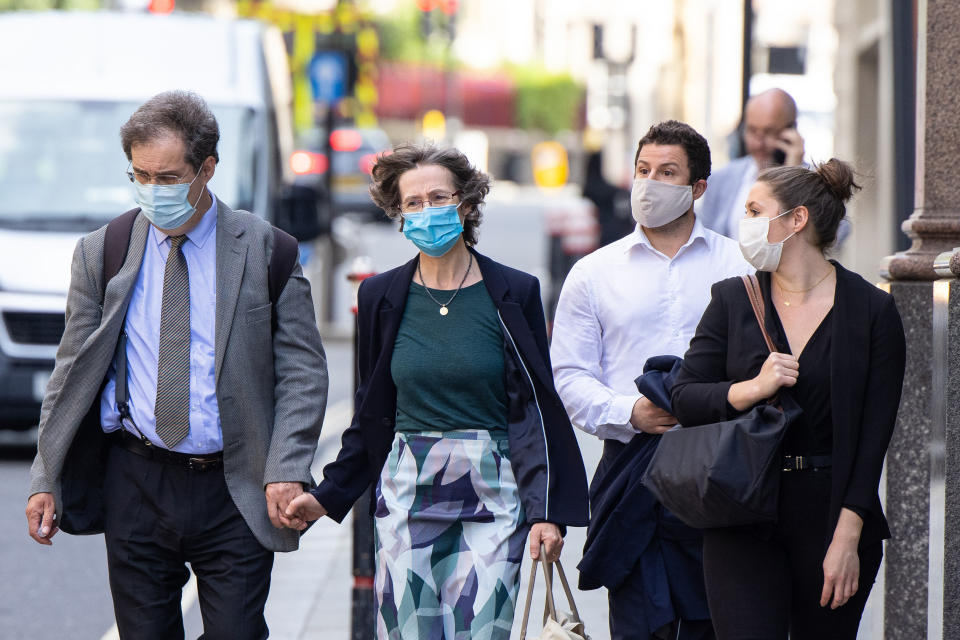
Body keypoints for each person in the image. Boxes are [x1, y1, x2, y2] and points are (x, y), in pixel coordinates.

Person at [24, 90, 329, 639]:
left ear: (206, 169)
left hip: (233, 485)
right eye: (139, 175)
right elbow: (70, 368)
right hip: (137, 480)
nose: (152, 190)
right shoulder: (104, 250)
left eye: (168, 178)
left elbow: (303, 372)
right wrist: (45, 476)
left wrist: (285, 465)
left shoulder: (268, 251)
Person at [284, 142, 589, 639]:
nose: (427, 211)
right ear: (398, 215)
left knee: (485, 629)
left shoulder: (515, 291)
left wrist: (547, 514)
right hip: (408, 491)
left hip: (496, 492)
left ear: (466, 204)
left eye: (439, 198)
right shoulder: (380, 296)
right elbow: (371, 414)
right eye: (413, 203)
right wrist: (327, 495)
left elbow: (533, 411)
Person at [671, 159, 906, 639]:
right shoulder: (733, 300)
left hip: (830, 515)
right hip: (742, 509)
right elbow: (684, 397)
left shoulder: (871, 311)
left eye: (757, 211)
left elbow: (873, 440)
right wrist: (751, 388)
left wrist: (847, 537)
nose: (746, 225)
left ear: (796, 220)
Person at [550, 120, 751, 640]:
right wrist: (628, 411)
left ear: (697, 188)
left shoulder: (740, 266)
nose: (650, 183)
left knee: (717, 617)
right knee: (641, 621)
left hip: (718, 469)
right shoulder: (594, 272)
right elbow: (569, 374)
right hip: (633, 469)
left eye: (667, 172)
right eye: (643, 170)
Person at [697, 88, 805, 239]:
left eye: (768, 132)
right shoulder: (722, 179)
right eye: (752, 131)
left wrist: (794, 175)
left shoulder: (814, 182)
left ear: (791, 131)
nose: (758, 143)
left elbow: (835, 236)